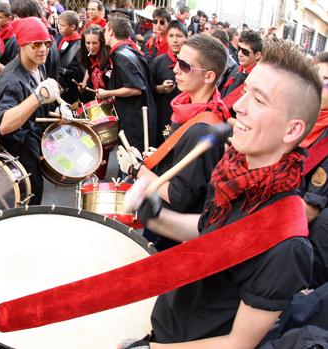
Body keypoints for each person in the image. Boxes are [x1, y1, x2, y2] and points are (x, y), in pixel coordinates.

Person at [120, 39, 316, 349]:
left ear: (291, 130)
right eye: (246, 91)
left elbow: (237, 344)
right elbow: (208, 234)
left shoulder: (287, 244)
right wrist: (154, 212)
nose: (239, 105)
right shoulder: (233, 177)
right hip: (166, 322)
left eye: (259, 100)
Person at [119, 34, 230, 251]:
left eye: (185, 66)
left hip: (173, 228)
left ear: (208, 77)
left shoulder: (203, 129)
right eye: (177, 61)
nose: (176, 69)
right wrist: (159, 157)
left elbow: (180, 197)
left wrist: (136, 170)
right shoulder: (189, 107)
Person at [0, 17, 61, 206]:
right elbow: (4, 126)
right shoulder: (11, 80)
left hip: (33, 149)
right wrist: (37, 97)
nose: (43, 49)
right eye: (36, 44)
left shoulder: (38, 66)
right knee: (18, 210)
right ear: (22, 45)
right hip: (17, 159)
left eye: (46, 43)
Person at [98, 16, 156, 152]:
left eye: (105, 30)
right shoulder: (130, 50)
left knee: (132, 163)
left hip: (135, 119)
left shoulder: (121, 55)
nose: (104, 34)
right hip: (138, 115)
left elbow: (136, 88)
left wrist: (107, 93)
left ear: (111, 31)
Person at [299, 52, 328, 288]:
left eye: (325, 82)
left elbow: (309, 211)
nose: (318, 87)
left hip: (298, 249)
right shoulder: (303, 121)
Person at [150, 20, 187, 146]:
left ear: (187, 38)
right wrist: (161, 88)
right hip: (163, 114)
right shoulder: (159, 62)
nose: (175, 40)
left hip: (186, 114)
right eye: (171, 36)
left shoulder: (193, 63)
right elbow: (149, 89)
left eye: (179, 36)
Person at [220, 30, 263, 114]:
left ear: (257, 55)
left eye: (245, 52)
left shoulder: (257, 79)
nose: (240, 54)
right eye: (239, 49)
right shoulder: (235, 69)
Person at [77, 25, 110, 103]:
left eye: (95, 43)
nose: (91, 47)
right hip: (96, 100)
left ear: (102, 42)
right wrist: (84, 82)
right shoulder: (87, 54)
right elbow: (90, 68)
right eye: (88, 43)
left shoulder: (110, 58)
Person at [56, 10, 83, 104]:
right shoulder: (61, 38)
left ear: (73, 27)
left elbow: (79, 71)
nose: (59, 27)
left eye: (62, 25)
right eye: (58, 24)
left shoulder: (79, 45)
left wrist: (65, 71)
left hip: (70, 89)